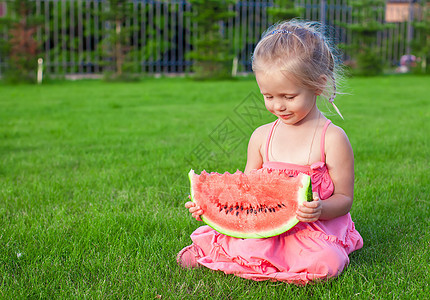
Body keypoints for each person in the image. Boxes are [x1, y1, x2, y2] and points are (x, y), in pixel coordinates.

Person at [177, 20, 363, 285]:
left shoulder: (332, 139)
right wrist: (207, 205)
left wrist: (320, 209)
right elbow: (245, 192)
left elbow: (345, 198)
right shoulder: (261, 136)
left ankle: (243, 258)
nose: (278, 106)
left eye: (288, 96)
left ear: (319, 85)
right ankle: (245, 253)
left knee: (326, 261)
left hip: (313, 228)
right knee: (238, 239)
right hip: (263, 222)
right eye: (268, 96)